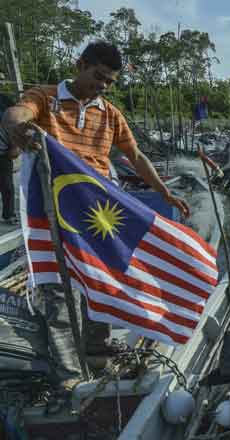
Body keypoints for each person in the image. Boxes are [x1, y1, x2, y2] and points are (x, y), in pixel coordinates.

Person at [1, 41, 190, 383]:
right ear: (80, 65)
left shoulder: (110, 114)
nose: (102, 86)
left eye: (110, 81)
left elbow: (136, 157)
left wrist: (166, 193)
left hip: (96, 216)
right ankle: (69, 376)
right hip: (50, 214)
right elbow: (18, 112)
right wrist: (16, 125)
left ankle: (96, 350)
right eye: (98, 76)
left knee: (98, 282)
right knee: (57, 289)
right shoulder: (46, 97)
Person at [0, 123, 18, 225]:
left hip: (3, 156)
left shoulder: (6, 117)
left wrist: (15, 147)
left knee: (7, 187)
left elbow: (14, 127)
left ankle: (9, 214)